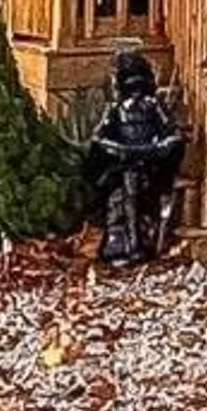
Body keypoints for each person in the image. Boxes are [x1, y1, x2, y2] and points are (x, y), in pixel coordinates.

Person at [83, 46, 186, 266]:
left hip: (151, 165)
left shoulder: (154, 107)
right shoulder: (116, 110)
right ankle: (125, 242)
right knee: (123, 192)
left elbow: (173, 134)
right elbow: (99, 138)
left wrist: (159, 149)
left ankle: (142, 239)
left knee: (144, 191)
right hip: (123, 165)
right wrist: (118, 150)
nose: (135, 94)